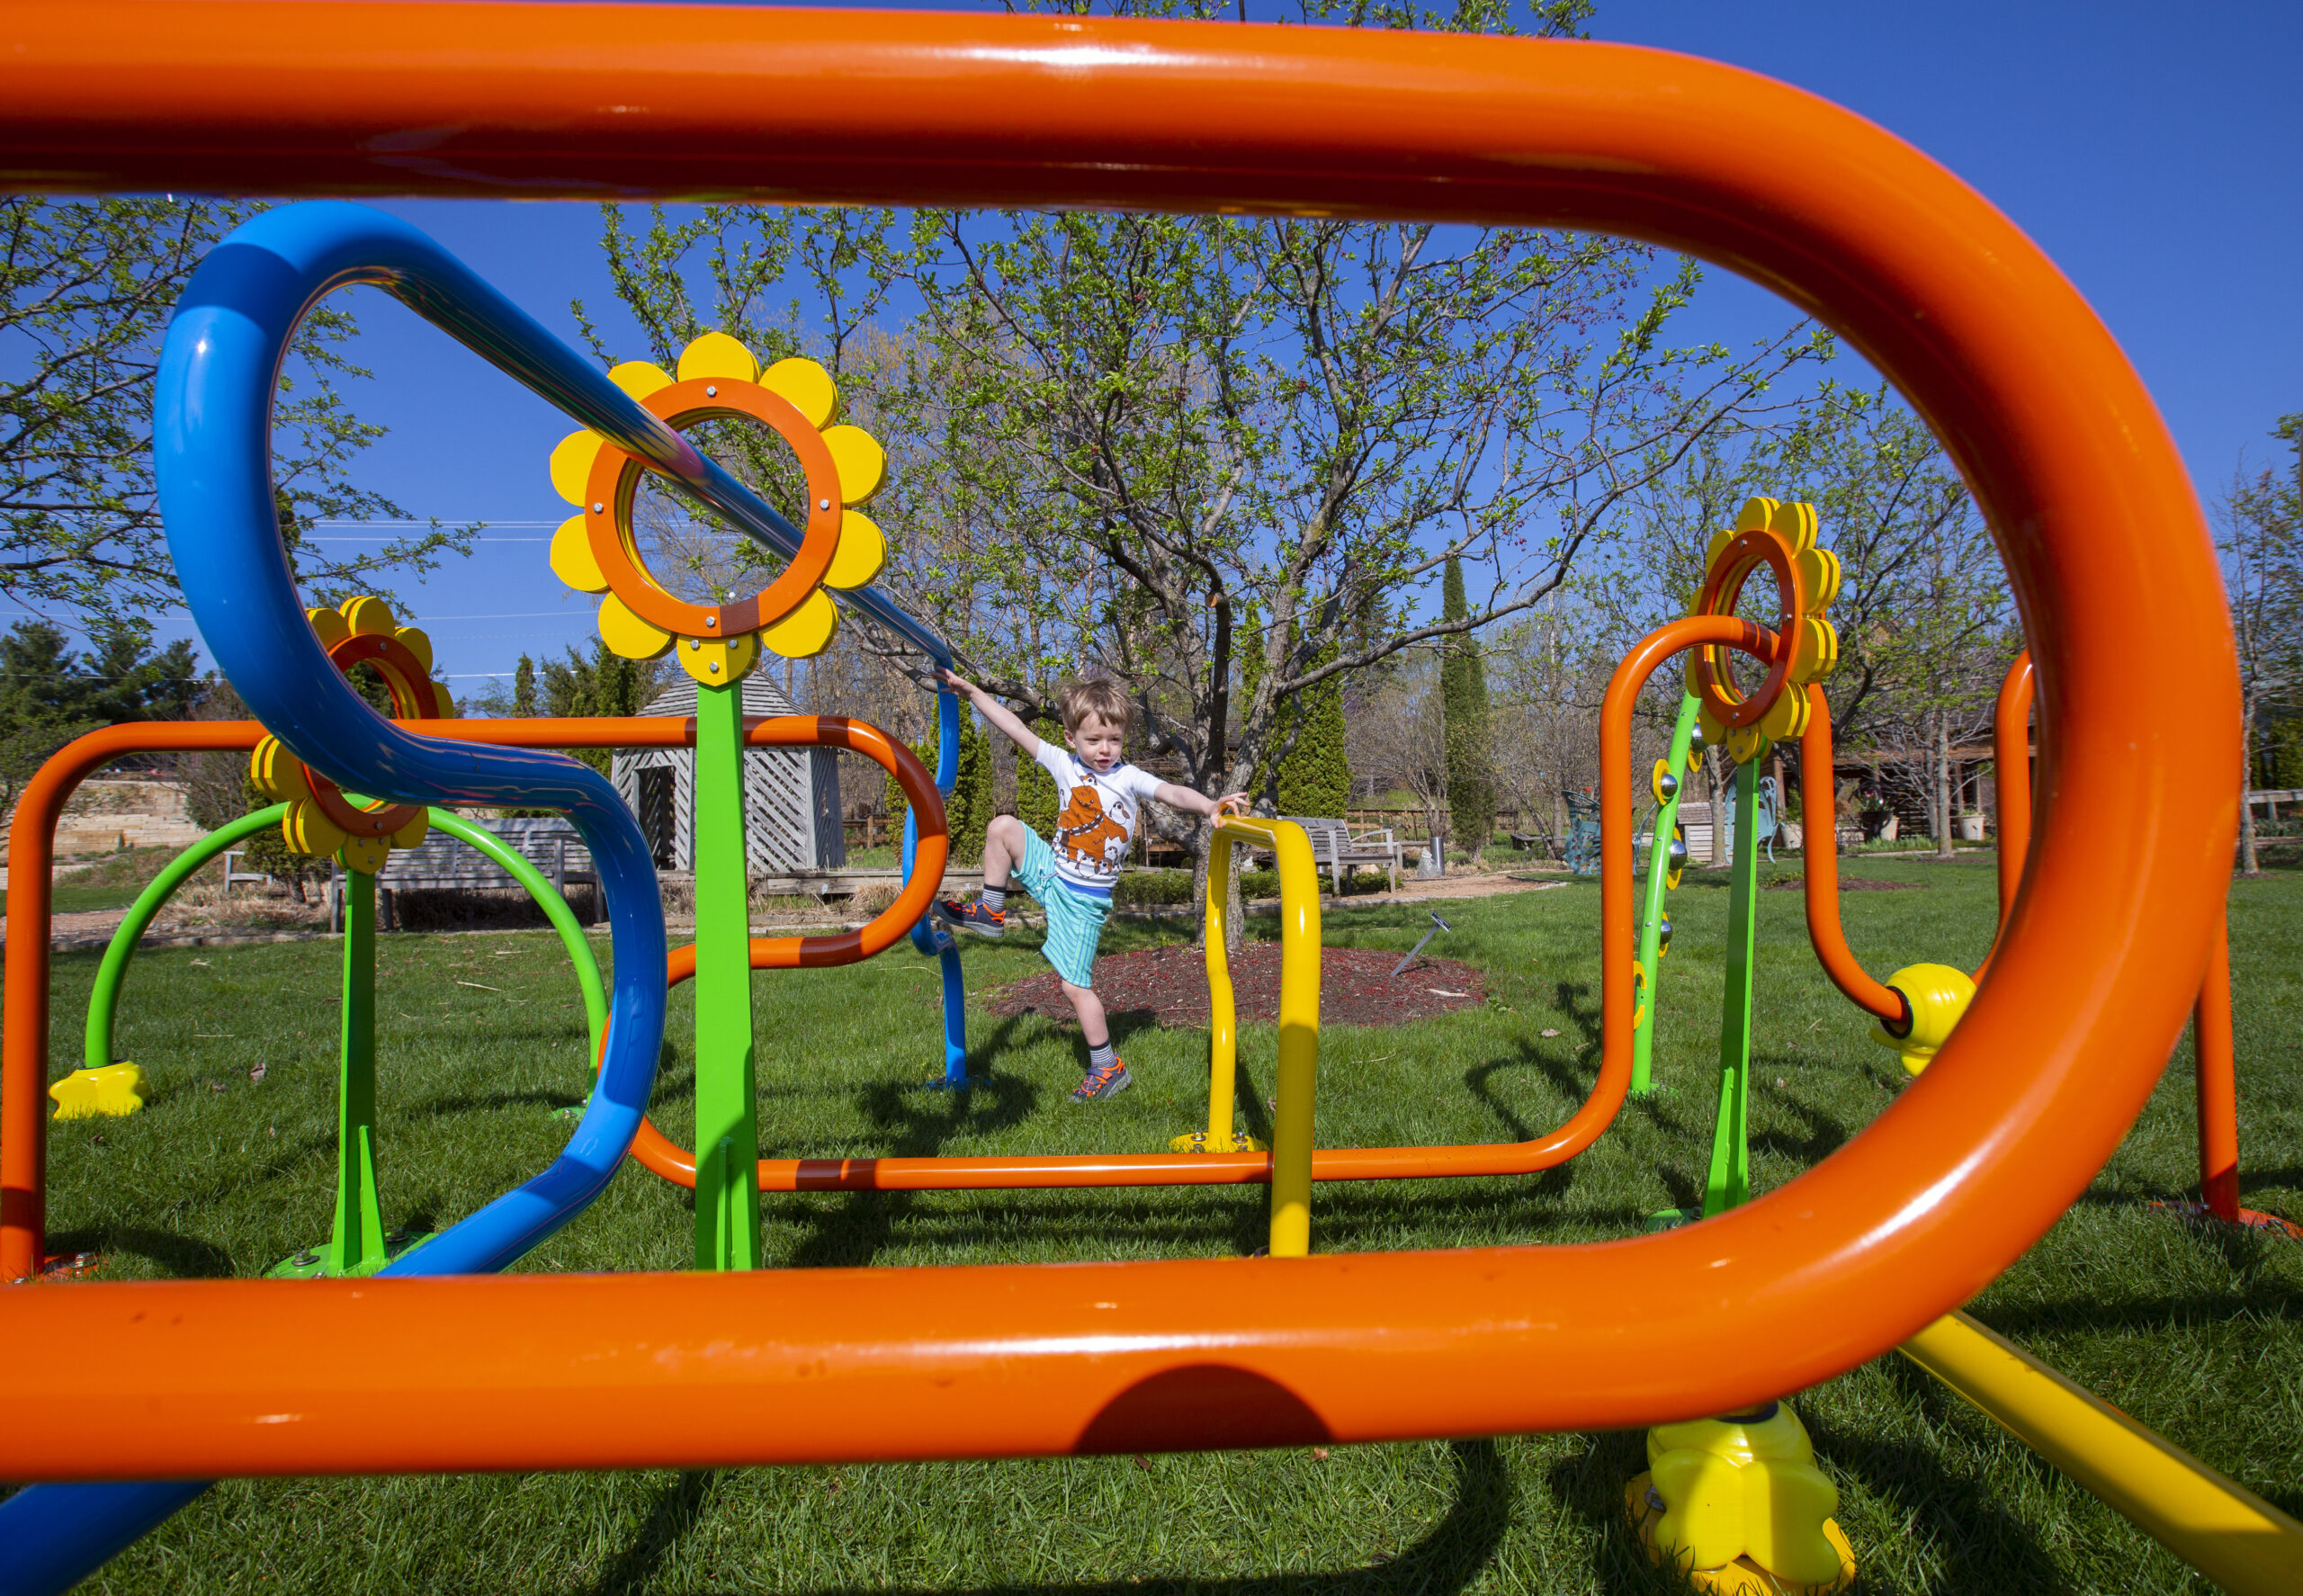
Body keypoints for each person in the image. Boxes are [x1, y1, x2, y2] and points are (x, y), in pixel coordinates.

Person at [933, 668, 1247, 1102]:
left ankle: (1108, 1066)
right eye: (1094, 740)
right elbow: (1014, 726)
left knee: (1073, 986)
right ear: (1070, 736)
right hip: (1054, 874)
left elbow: (1173, 792)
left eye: (1114, 740)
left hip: (1083, 901)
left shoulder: (1128, 777)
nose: (1104, 750)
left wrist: (1210, 805)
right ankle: (991, 909)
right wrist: (973, 693)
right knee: (1002, 827)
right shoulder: (1064, 764)